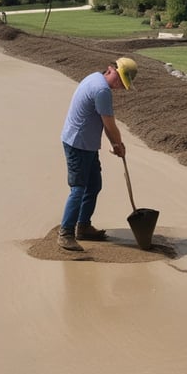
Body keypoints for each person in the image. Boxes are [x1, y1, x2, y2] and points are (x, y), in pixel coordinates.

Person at [57, 57, 138, 251]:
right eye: (118, 79)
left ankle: (83, 226)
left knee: (94, 185)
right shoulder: (102, 90)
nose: (118, 85)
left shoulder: (95, 78)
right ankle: (65, 233)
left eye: (122, 83)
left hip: (86, 143)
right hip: (78, 144)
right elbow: (109, 123)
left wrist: (115, 144)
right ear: (111, 70)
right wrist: (118, 144)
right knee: (78, 189)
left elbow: (105, 124)